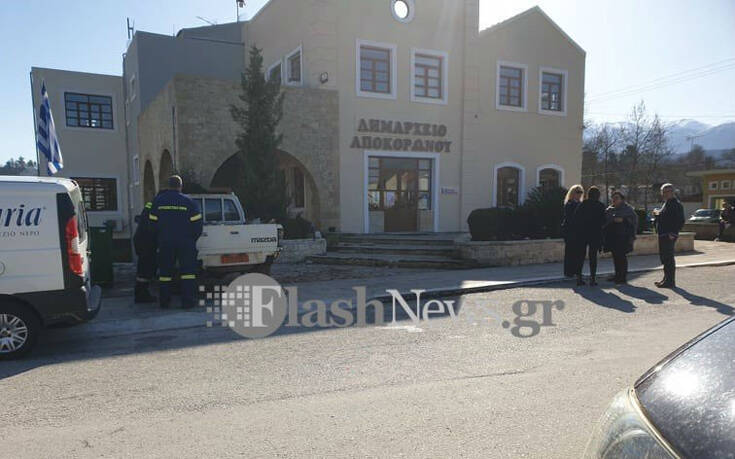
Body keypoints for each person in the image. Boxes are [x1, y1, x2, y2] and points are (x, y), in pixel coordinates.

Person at [149, 175, 203, 309]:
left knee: (165, 274)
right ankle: (188, 302)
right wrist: (191, 239)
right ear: (180, 186)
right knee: (188, 273)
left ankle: (164, 302)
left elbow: (151, 224)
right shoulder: (189, 202)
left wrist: (158, 239)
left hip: (165, 242)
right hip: (185, 243)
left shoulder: (158, 201)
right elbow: (198, 226)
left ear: (168, 186)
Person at [572, 186, 606, 286]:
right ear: (598, 195)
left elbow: (575, 218)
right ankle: (592, 278)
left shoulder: (582, 205)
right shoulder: (600, 206)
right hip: (595, 233)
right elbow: (603, 221)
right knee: (593, 256)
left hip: (582, 233)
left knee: (580, 256)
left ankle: (579, 278)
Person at [653, 184, 685, 289]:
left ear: (673, 192)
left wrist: (673, 233)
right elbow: (665, 217)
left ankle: (670, 281)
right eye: (664, 192)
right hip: (663, 234)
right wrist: (657, 213)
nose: (666, 193)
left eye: (668, 191)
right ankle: (666, 279)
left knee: (668, 258)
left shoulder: (676, 204)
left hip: (669, 234)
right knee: (665, 258)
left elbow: (680, 220)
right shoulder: (667, 203)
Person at [603, 191, 638, 285]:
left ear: (622, 199)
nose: (614, 200)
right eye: (613, 198)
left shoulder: (627, 209)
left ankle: (622, 277)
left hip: (624, 237)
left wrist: (624, 220)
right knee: (615, 257)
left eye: (616, 198)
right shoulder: (609, 210)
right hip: (613, 237)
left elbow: (634, 221)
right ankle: (617, 275)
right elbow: (605, 221)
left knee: (622, 257)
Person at [133, 200, 158, 303]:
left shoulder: (152, 204)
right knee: (145, 270)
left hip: (141, 240)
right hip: (147, 242)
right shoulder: (158, 205)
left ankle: (141, 293)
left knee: (143, 269)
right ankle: (142, 295)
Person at [562, 184, 584, 278]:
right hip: (571, 231)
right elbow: (570, 218)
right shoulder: (569, 204)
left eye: (581, 192)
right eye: (577, 192)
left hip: (579, 232)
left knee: (579, 253)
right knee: (570, 252)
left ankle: (577, 271)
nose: (579, 194)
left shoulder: (581, 204)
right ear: (573, 193)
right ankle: (569, 271)